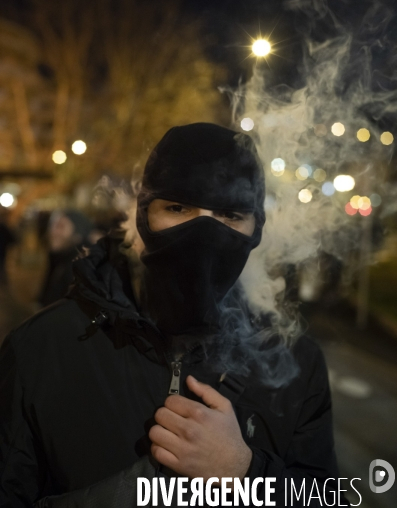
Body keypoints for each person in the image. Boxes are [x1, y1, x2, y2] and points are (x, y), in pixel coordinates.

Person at [0, 123, 348, 507]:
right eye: (178, 207)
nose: (204, 232)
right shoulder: (43, 347)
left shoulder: (293, 361)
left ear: (255, 229)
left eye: (230, 213)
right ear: (143, 216)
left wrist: (245, 472)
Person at [37, 210, 93, 308]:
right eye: (53, 225)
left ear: (77, 235)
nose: (53, 231)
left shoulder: (78, 269)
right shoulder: (60, 259)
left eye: (60, 226)